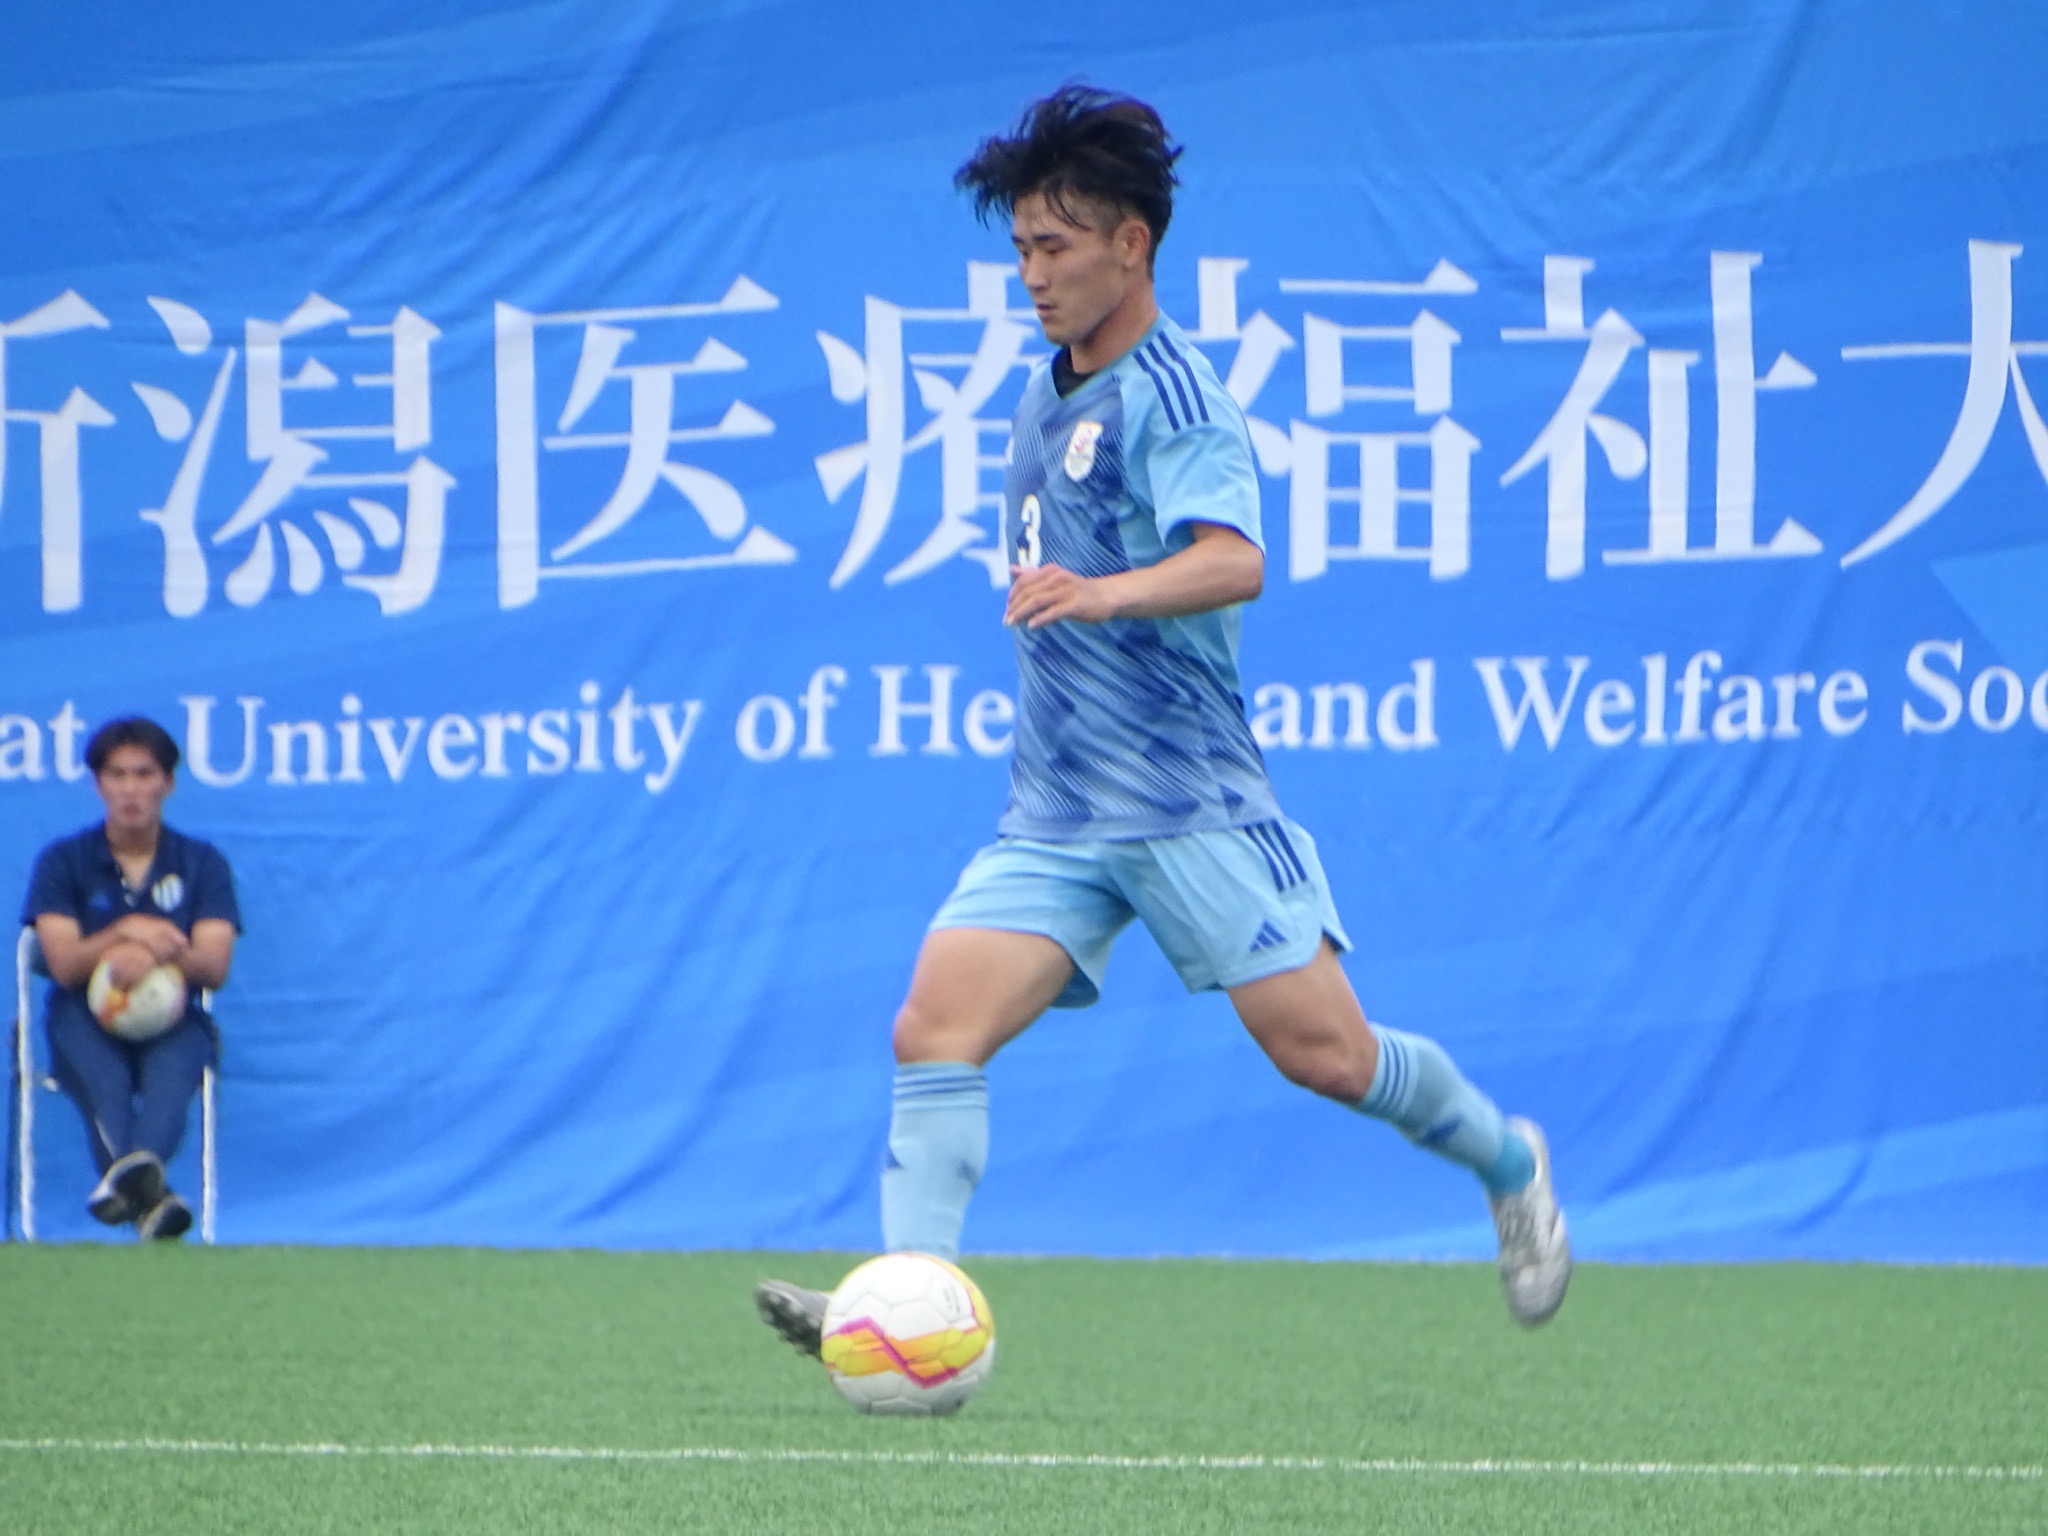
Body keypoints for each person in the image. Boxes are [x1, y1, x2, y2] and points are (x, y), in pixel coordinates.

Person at [757, 87, 1568, 1349]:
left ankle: (1507, 1166)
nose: (1031, 275)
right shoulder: (1044, 395)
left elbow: (1234, 559)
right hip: (1056, 815)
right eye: (1020, 248)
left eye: (1054, 247)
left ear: (1130, 244)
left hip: (1190, 807)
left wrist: (1102, 592)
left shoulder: (1174, 396)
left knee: (1329, 1060)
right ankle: (908, 1302)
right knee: (934, 1027)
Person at [20, 716, 239, 1241]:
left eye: (144, 774)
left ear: (168, 783)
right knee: (105, 1085)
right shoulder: (64, 861)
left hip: (174, 1015)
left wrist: (161, 954)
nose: (131, 789)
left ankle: (134, 1195)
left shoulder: (201, 863)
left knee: (172, 1085)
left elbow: (214, 965)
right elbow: (63, 962)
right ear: (99, 784)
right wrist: (124, 934)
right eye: (117, 775)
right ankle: (151, 1205)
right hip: (84, 1013)